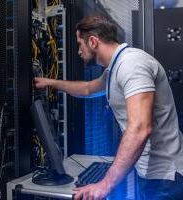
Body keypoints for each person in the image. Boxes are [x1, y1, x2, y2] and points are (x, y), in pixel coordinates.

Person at [34, 15, 183, 200]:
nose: (79, 51)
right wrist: (49, 82)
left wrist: (105, 184)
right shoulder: (115, 68)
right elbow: (87, 89)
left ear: (93, 42)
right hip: (152, 173)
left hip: (166, 178)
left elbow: (140, 128)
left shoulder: (131, 64)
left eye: (80, 44)